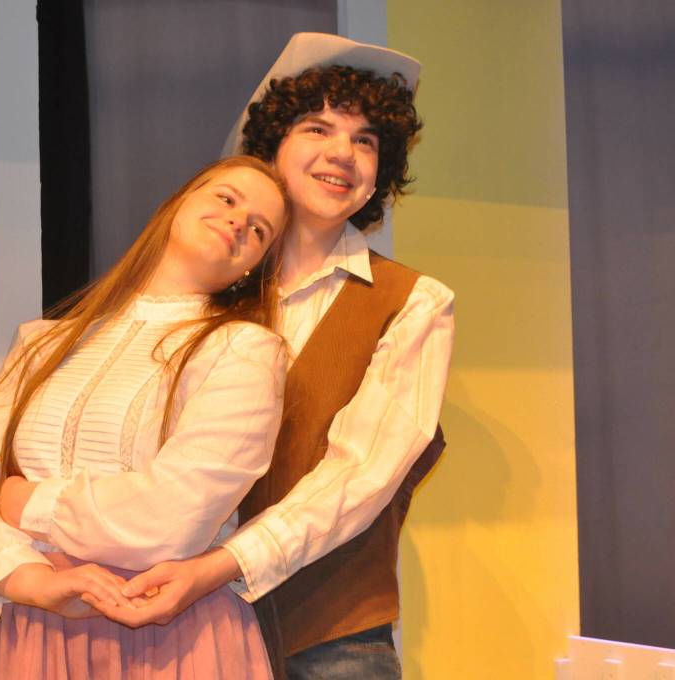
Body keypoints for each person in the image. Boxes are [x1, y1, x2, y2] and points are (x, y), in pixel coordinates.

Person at [82, 33, 455, 680]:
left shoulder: (415, 302)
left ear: (381, 172)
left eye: (366, 140)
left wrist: (221, 566)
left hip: (332, 639)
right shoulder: (203, 290)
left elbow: (362, 476)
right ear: (272, 147)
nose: (342, 153)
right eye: (318, 128)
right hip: (187, 629)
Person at [0, 155, 291, 678]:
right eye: (226, 198)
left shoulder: (247, 350)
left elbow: (172, 518)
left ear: (253, 268)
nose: (238, 222)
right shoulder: (41, 343)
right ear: (175, 205)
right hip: (36, 628)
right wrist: (28, 579)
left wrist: (29, 502)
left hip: (170, 632)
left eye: (259, 229)